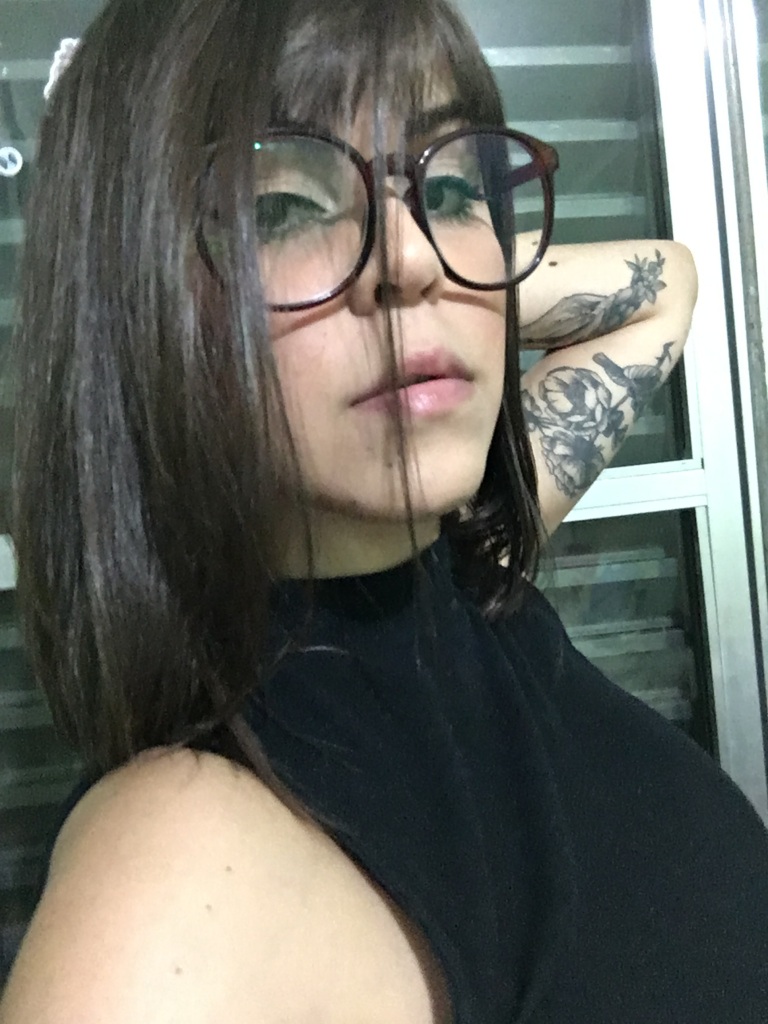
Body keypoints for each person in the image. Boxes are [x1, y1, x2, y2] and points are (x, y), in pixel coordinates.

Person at [1, 0, 767, 1021]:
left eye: (450, 187)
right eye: (282, 208)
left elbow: (665, 288)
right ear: (137, 298)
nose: (408, 257)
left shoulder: (467, 569)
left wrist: (456, 281)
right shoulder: (172, 889)